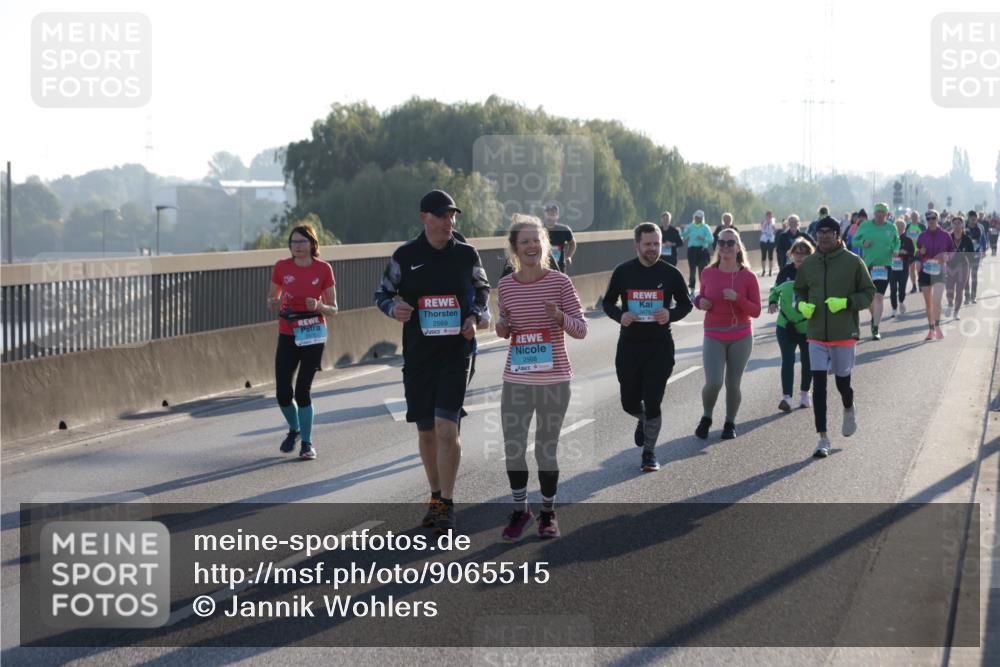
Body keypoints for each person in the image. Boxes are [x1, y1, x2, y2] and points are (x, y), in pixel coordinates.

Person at [374, 189, 490, 533]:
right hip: (419, 355)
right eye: (442, 215)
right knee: (426, 430)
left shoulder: (467, 254)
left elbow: (482, 291)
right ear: (424, 217)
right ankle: (436, 497)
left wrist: (474, 316)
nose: (448, 221)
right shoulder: (405, 255)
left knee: (445, 427)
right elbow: (382, 293)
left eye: (452, 215)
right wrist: (394, 308)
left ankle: (448, 504)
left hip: (456, 353)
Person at [495, 214, 587, 541]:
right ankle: (521, 511)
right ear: (515, 249)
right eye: (525, 242)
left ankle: (548, 513)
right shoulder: (505, 286)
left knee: (545, 450)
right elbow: (503, 326)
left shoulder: (560, 282)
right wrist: (503, 328)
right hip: (517, 380)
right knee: (514, 448)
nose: (532, 246)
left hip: (553, 380)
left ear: (545, 245)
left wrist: (559, 316)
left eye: (537, 240)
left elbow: (581, 329)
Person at [602, 222, 693, 472]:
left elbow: (686, 304)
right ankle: (643, 418)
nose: (653, 249)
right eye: (648, 244)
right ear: (637, 245)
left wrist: (670, 314)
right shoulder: (623, 272)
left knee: (653, 400)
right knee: (629, 402)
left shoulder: (671, 273)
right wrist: (620, 315)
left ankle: (649, 453)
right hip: (630, 347)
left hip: (659, 346)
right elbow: (607, 303)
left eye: (657, 244)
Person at [793, 216, 875, 458]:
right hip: (816, 333)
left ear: (838, 235)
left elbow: (869, 292)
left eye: (829, 232)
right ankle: (823, 438)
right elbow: (799, 290)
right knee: (818, 385)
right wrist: (801, 306)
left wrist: (847, 303)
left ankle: (849, 407)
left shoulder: (853, 262)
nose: (824, 237)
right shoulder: (810, 264)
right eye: (820, 233)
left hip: (843, 333)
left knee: (842, 384)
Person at [267, 224, 338, 461]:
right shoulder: (281, 267)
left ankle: (306, 444)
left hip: (313, 334)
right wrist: (272, 303)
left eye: (302, 242)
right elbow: (273, 296)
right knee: (283, 393)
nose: (297, 246)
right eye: (293, 242)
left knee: (302, 391)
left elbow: (334, 309)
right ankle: (294, 428)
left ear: (312, 244)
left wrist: (318, 306)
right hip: (288, 333)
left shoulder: (323, 268)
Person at [693, 228, 761, 440]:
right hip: (713, 333)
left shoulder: (748, 276)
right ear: (717, 247)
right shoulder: (708, 272)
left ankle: (730, 422)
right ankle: (706, 416)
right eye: (721, 243)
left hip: (740, 334)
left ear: (738, 247)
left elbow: (756, 311)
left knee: (733, 383)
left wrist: (738, 298)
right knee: (713, 382)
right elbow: (700, 297)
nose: (725, 247)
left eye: (730, 243)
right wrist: (699, 302)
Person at [767, 239, 814, 412]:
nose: (800, 256)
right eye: (797, 253)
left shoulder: (814, 272)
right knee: (787, 360)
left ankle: (804, 393)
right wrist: (772, 303)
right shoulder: (785, 272)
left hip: (807, 325)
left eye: (804, 253)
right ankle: (786, 397)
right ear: (791, 254)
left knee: (807, 360)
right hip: (785, 324)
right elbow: (775, 291)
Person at [851, 202, 899, 340]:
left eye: (882, 213)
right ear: (874, 213)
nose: (879, 215)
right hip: (869, 265)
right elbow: (855, 241)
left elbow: (897, 241)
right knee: (870, 298)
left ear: (886, 214)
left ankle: (876, 328)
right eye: (877, 212)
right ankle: (874, 317)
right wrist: (863, 243)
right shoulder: (865, 226)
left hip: (885, 265)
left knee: (879, 296)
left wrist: (895, 250)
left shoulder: (891, 227)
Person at [916, 209, 954, 341]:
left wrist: (946, 256)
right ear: (926, 220)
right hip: (925, 272)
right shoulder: (922, 236)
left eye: (933, 218)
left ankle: (937, 326)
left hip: (939, 271)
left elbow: (952, 251)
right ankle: (931, 329)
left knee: (936, 300)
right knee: (928, 304)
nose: (931, 221)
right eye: (928, 219)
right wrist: (919, 256)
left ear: (937, 219)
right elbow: (918, 253)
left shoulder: (945, 235)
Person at [947, 214, 975, 320]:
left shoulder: (967, 239)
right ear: (952, 225)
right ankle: (950, 304)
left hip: (963, 267)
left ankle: (956, 312)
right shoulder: (949, 238)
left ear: (962, 225)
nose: (957, 225)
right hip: (950, 267)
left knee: (959, 290)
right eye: (955, 223)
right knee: (949, 289)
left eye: (959, 223)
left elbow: (971, 254)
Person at [681, 209, 714, 292]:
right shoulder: (690, 226)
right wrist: (682, 230)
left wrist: (703, 238)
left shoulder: (705, 227)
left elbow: (711, 239)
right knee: (692, 271)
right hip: (692, 250)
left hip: (702, 251)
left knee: (702, 272)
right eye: (695, 217)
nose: (696, 219)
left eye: (698, 217)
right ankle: (692, 291)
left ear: (702, 218)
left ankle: (702, 290)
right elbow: (683, 236)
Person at [889, 219, 916, 317]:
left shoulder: (908, 240)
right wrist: (892, 254)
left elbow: (912, 255)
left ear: (904, 228)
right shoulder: (890, 239)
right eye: (898, 228)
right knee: (892, 288)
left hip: (903, 267)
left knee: (902, 287)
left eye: (901, 227)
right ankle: (894, 308)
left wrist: (906, 253)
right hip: (892, 267)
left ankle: (901, 301)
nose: (900, 229)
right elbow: (885, 252)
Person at [543, 203, 576, 273]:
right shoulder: (539, 229)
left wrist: (568, 256)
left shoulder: (564, 230)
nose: (550, 217)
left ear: (557, 216)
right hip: (542, 266)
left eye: (553, 215)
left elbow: (572, 243)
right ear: (545, 215)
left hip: (559, 266)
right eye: (548, 214)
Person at [965, 210, 987, 304]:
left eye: (975, 219)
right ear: (968, 218)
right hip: (965, 254)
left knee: (974, 275)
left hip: (976, 254)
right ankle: (967, 297)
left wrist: (984, 250)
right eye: (971, 219)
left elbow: (983, 239)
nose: (973, 221)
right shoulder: (964, 227)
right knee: (966, 276)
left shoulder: (980, 227)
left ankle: (973, 296)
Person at [906, 211, 926, 293]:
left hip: (919, 251)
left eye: (915, 216)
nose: (914, 217)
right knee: (911, 269)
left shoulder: (922, 226)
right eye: (912, 216)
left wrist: (924, 248)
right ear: (911, 217)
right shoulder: (908, 226)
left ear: (918, 217)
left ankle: (920, 283)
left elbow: (926, 237)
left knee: (919, 268)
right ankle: (914, 286)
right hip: (910, 251)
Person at [759, 211, 777, 277]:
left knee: (770, 256)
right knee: (763, 256)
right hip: (763, 240)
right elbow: (762, 229)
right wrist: (767, 222)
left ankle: (770, 271)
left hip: (771, 240)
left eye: (770, 215)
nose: (769, 217)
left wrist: (773, 225)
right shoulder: (763, 221)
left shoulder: (773, 222)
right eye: (768, 215)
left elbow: (775, 231)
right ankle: (763, 270)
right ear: (766, 216)